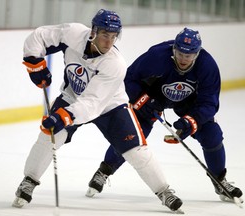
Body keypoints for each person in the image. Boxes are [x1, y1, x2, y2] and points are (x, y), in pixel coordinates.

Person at [12, 9, 183, 212]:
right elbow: (40, 36)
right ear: (93, 31)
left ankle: (164, 191)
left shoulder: (115, 64)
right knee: (48, 136)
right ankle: (29, 181)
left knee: (136, 150)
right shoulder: (73, 33)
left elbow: (93, 103)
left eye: (113, 36)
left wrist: (63, 117)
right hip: (71, 97)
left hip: (111, 105)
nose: (109, 42)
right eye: (105, 35)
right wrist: (33, 62)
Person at [87, 27, 243, 203]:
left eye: (189, 55)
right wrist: (143, 100)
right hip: (153, 98)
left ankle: (220, 180)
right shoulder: (157, 55)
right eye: (180, 53)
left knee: (212, 135)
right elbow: (129, 78)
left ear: (197, 54)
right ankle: (104, 170)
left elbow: (209, 103)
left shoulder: (207, 65)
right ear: (174, 49)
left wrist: (190, 121)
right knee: (131, 136)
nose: (184, 59)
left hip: (189, 104)